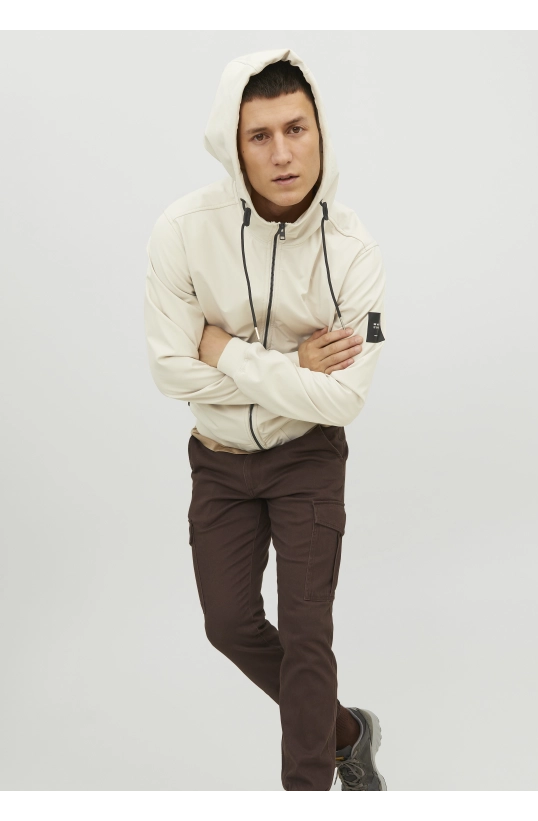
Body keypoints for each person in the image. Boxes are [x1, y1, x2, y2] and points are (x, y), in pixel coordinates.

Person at [144, 48, 387, 793]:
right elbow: (169, 370)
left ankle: (306, 792)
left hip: (306, 457)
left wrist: (223, 350)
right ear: (234, 144)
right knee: (227, 624)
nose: (282, 154)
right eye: (260, 135)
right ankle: (344, 731)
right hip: (217, 459)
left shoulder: (353, 252)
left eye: (295, 129)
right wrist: (291, 366)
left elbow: (343, 399)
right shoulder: (184, 230)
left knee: (308, 634)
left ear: (319, 132)